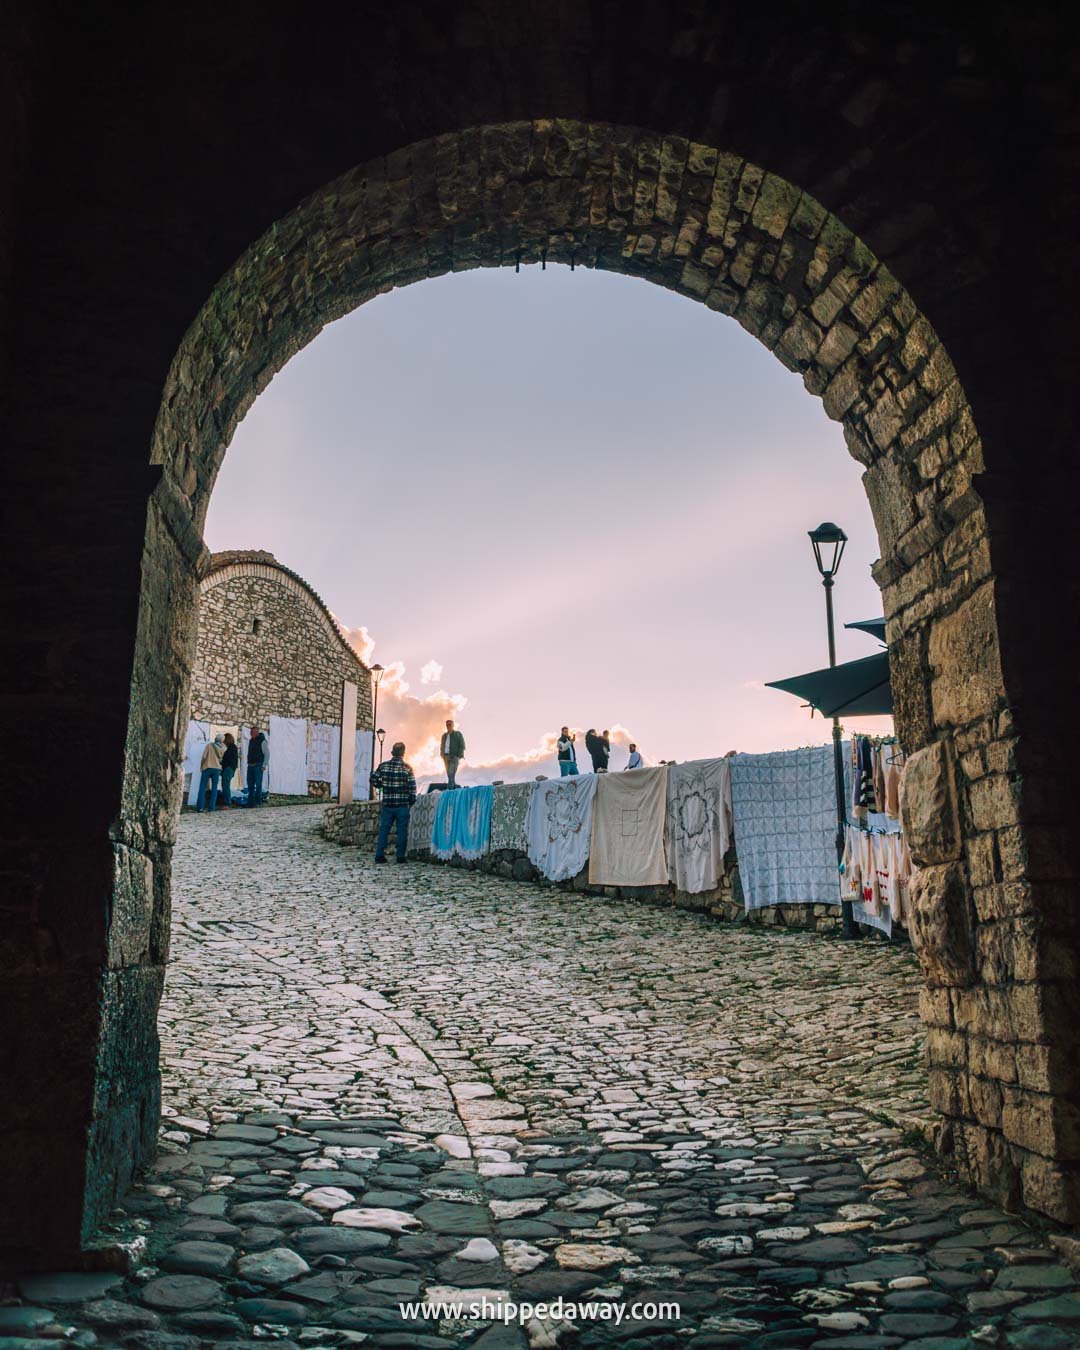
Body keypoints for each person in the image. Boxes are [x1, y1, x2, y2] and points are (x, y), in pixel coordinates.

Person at [370, 741, 417, 863]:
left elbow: (373, 779)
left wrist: (381, 785)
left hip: (388, 804)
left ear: (392, 752)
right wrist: (411, 801)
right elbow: (412, 788)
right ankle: (400, 856)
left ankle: (379, 855)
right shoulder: (407, 768)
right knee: (402, 831)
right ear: (403, 753)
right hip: (402, 805)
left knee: (384, 829)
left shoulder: (383, 766)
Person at [197, 735, 223, 812]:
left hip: (207, 767)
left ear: (215, 739)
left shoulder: (209, 745)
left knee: (202, 787)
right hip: (217, 769)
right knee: (214, 788)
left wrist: (201, 766)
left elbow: (204, 757)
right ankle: (212, 807)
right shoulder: (223, 748)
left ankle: (200, 807)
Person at [440, 719, 466, 788]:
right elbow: (442, 746)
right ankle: (453, 789)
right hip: (446, 757)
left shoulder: (458, 734)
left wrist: (458, 755)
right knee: (449, 775)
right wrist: (442, 755)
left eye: (450, 724)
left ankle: (449, 789)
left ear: (453, 725)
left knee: (451, 774)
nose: (448, 726)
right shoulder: (444, 736)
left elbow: (462, 745)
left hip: (454, 757)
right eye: (447, 725)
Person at [246, 725, 268, 806]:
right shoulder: (251, 741)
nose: (250, 734)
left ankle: (258, 802)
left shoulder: (262, 741)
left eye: (251, 732)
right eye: (250, 732)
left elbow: (267, 754)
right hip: (250, 765)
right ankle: (250, 802)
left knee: (258, 784)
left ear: (256, 732)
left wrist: (264, 765)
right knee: (250, 784)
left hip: (258, 765)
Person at [220, 732, 238, 807]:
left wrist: (222, 762)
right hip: (229, 769)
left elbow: (228, 760)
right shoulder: (232, 748)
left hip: (228, 769)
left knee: (225, 785)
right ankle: (227, 802)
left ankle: (227, 803)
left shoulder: (232, 748)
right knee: (225, 785)